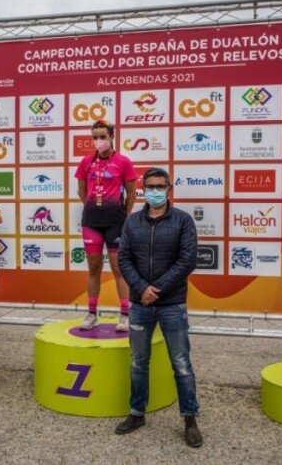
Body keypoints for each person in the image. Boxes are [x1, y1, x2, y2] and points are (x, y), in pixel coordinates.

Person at [115, 167, 202, 448]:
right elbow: (124, 258)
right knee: (139, 362)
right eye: (149, 186)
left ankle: (190, 419)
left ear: (169, 189)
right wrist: (141, 289)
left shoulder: (183, 221)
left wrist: (157, 289)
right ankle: (136, 413)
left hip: (172, 304)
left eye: (159, 186)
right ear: (142, 189)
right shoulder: (132, 223)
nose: (154, 191)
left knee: (182, 364)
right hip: (140, 304)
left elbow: (187, 260)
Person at [74, 120, 138, 331]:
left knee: (118, 269)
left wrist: (125, 215)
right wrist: (93, 208)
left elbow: (132, 193)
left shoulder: (123, 161)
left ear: (112, 137)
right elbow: (82, 192)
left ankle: (125, 315)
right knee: (93, 269)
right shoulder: (85, 162)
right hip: (91, 223)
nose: (99, 140)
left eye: (103, 136)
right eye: (95, 137)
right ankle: (92, 314)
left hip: (116, 224)